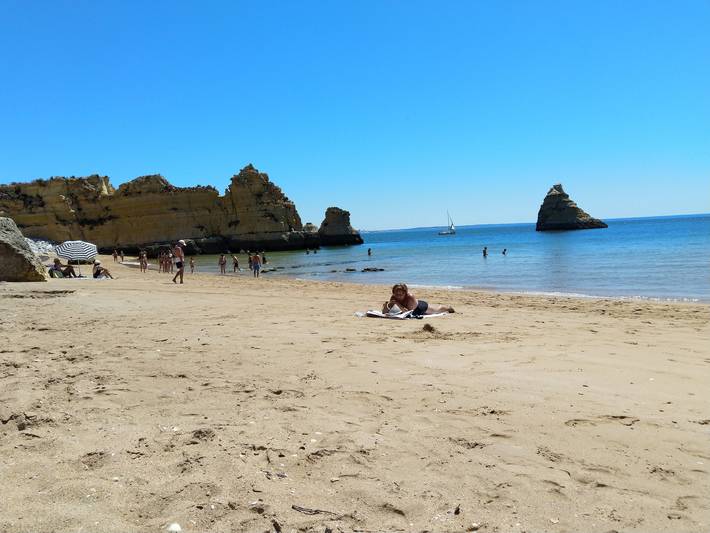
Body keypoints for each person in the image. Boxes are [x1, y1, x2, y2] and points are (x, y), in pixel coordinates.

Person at [382, 283, 454, 316]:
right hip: (409, 308)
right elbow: (385, 312)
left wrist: (397, 304)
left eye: (401, 294)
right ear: (394, 293)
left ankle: (449, 308)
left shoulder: (410, 297)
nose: (398, 296)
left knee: (438, 310)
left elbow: (408, 313)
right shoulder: (393, 297)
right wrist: (386, 306)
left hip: (419, 307)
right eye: (397, 294)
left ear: (405, 293)